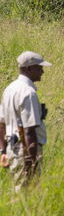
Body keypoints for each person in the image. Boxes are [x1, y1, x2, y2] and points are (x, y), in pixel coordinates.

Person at [0, 51, 51, 191]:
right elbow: (29, 131)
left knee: (18, 191)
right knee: (27, 194)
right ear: (28, 68)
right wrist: (32, 162)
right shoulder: (28, 93)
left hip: (12, 149)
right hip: (25, 151)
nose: (42, 71)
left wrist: (3, 151)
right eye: (39, 67)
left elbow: (2, 124)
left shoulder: (9, 89)